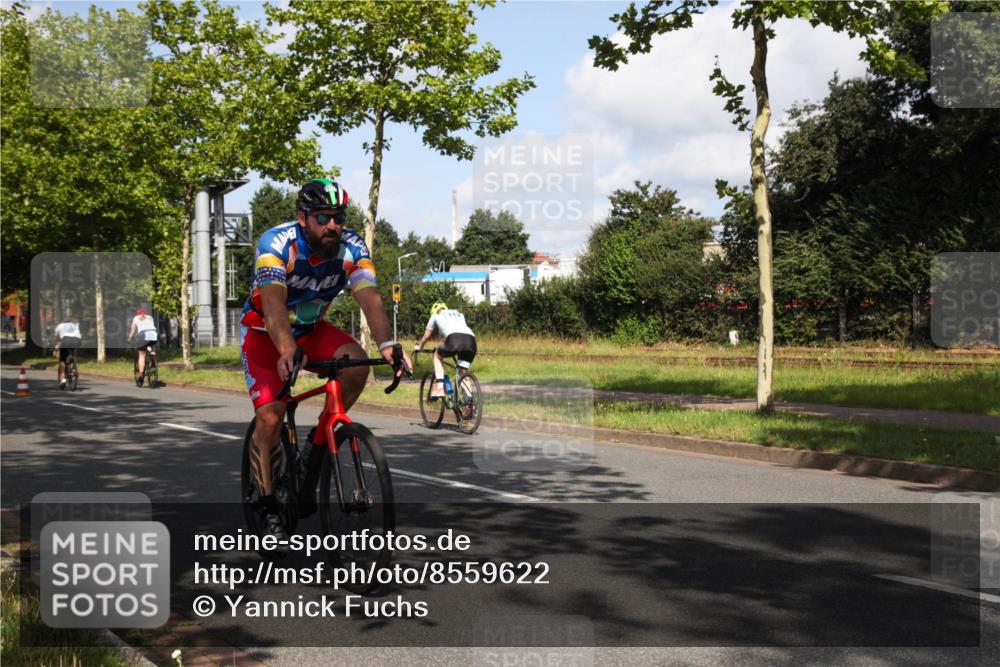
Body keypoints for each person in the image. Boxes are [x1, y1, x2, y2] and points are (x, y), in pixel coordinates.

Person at [239, 178, 412, 541]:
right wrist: (287, 350)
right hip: (265, 335)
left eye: (338, 217)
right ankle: (267, 503)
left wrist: (387, 344)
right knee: (270, 417)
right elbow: (273, 305)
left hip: (312, 331)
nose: (333, 225)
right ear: (303, 218)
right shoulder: (276, 243)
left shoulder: (352, 246)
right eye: (323, 217)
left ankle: (319, 440)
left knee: (355, 361)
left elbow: (369, 296)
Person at [414, 302, 477, 399]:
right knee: (462, 373)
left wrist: (420, 346)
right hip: (471, 341)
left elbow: (427, 335)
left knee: (437, 356)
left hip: (454, 339)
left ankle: (439, 388)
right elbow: (457, 329)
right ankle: (470, 400)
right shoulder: (459, 314)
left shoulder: (436, 314)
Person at [128, 309, 158, 387]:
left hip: (143, 335)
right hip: (153, 334)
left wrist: (129, 339)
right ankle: (152, 355)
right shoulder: (150, 317)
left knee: (142, 354)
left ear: (137, 314)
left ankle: (141, 375)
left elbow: (133, 330)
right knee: (151, 345)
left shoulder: (135, 318)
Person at [53, 317, 82, 389]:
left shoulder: (60, 325)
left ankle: (63, 380)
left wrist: (55, 345)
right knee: (73, 355)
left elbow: (56, 337)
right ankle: (73, 368)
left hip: (66, 340)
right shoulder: (75, 325)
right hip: (77, 340)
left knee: (62, 360)